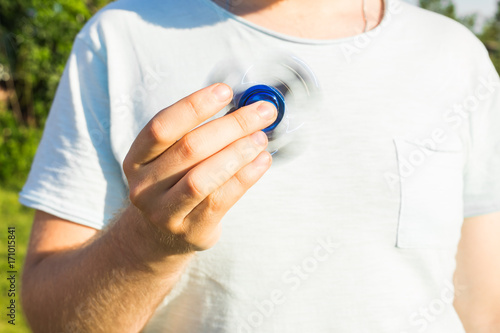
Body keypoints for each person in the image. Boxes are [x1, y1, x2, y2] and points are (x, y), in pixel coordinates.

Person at [19, 0, 500, 332]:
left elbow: (482, 312)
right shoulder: (121, 34)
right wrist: (146, 245)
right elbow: (48, 317)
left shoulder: (457, 57)